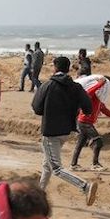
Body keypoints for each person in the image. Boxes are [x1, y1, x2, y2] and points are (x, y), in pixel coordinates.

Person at [33, 56, 97, 203]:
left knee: (56, 168)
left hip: (51, 131)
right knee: (47, 163)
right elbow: (88, 108)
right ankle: (39, 195)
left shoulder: (48, 85)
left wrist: (49, 110)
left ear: (55, 67)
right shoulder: (76, 86)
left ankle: (85, 186)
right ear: (68, 69)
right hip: (67, 130)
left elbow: (36, 108)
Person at [70, 76, 110, 171]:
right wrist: (99, 84)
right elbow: (88, 93)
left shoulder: (99, 98)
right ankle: (95, 164)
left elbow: (104, 110)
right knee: (98, 142)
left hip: (85, 122)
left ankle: (73, 164)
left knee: (80, 143)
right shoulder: (93, 94)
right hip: (84, 121)